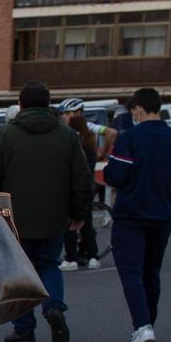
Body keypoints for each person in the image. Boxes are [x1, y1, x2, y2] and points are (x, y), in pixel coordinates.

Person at [0, 81, 90, 342]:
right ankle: (54, 307)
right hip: (54, 216)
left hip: (13, 218)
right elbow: (81, 180)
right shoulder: (67, 136)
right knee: (49, 264)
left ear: (20, 105)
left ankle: (24, 330)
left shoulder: (5, 136)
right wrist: (78, 213)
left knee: (20, 273)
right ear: (48, 104)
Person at [102, 86, 171, 342]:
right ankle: (148, 323)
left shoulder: (130, 138)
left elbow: (117, 175)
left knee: (130, 271)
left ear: (138, 108)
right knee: (151, 272)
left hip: (131, 214)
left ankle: (142, 326)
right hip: (162, 214)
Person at [60, 101, 103, 271]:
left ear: (77, 113)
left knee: (71, 222)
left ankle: (71, 258)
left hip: (73, 186)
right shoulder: (90, 138)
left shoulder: (70, 138)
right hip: (88, 185)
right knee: (86, 222)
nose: (64, 116)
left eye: (67, 113)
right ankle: (93, 256)